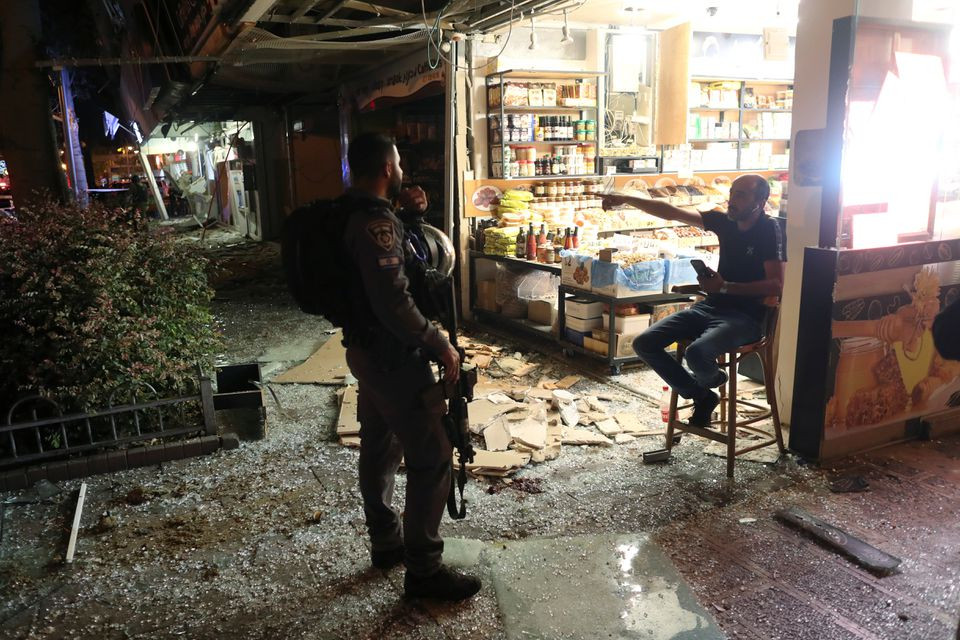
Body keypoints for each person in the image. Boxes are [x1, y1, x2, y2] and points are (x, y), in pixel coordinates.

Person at [340, 132, 481, 601]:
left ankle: (386, 542)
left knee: (379, 447)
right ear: (386, 168)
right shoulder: (375, 225)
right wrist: (438, 342)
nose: (402, 170)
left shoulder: (354, 213)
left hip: (365, 353)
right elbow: (394, 301)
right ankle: (423, 571)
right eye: (398, 163)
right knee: (432, 454)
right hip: (395, 357)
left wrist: (410, 217)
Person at [602, 175, 786, 427]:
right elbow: (672, 212)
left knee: (696, 354)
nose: (732, 200)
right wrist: (626, 199)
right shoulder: (725, 222)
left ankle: (711, 380)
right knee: (645, 343)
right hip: (711, 306)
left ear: (761, 201)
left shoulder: (769, 229)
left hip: (746, 317)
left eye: (741, 195)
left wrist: (725, 286)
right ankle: (702, 395)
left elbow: (777, 285)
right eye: (733, 192)